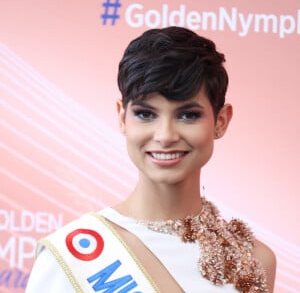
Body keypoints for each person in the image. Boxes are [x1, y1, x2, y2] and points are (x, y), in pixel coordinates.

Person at [25, 26, 276, 293]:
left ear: (221, 121)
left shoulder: (253, 262)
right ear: (122, 117)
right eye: (146, 114)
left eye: (188, 115)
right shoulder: (70, 259)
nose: (165, 136)